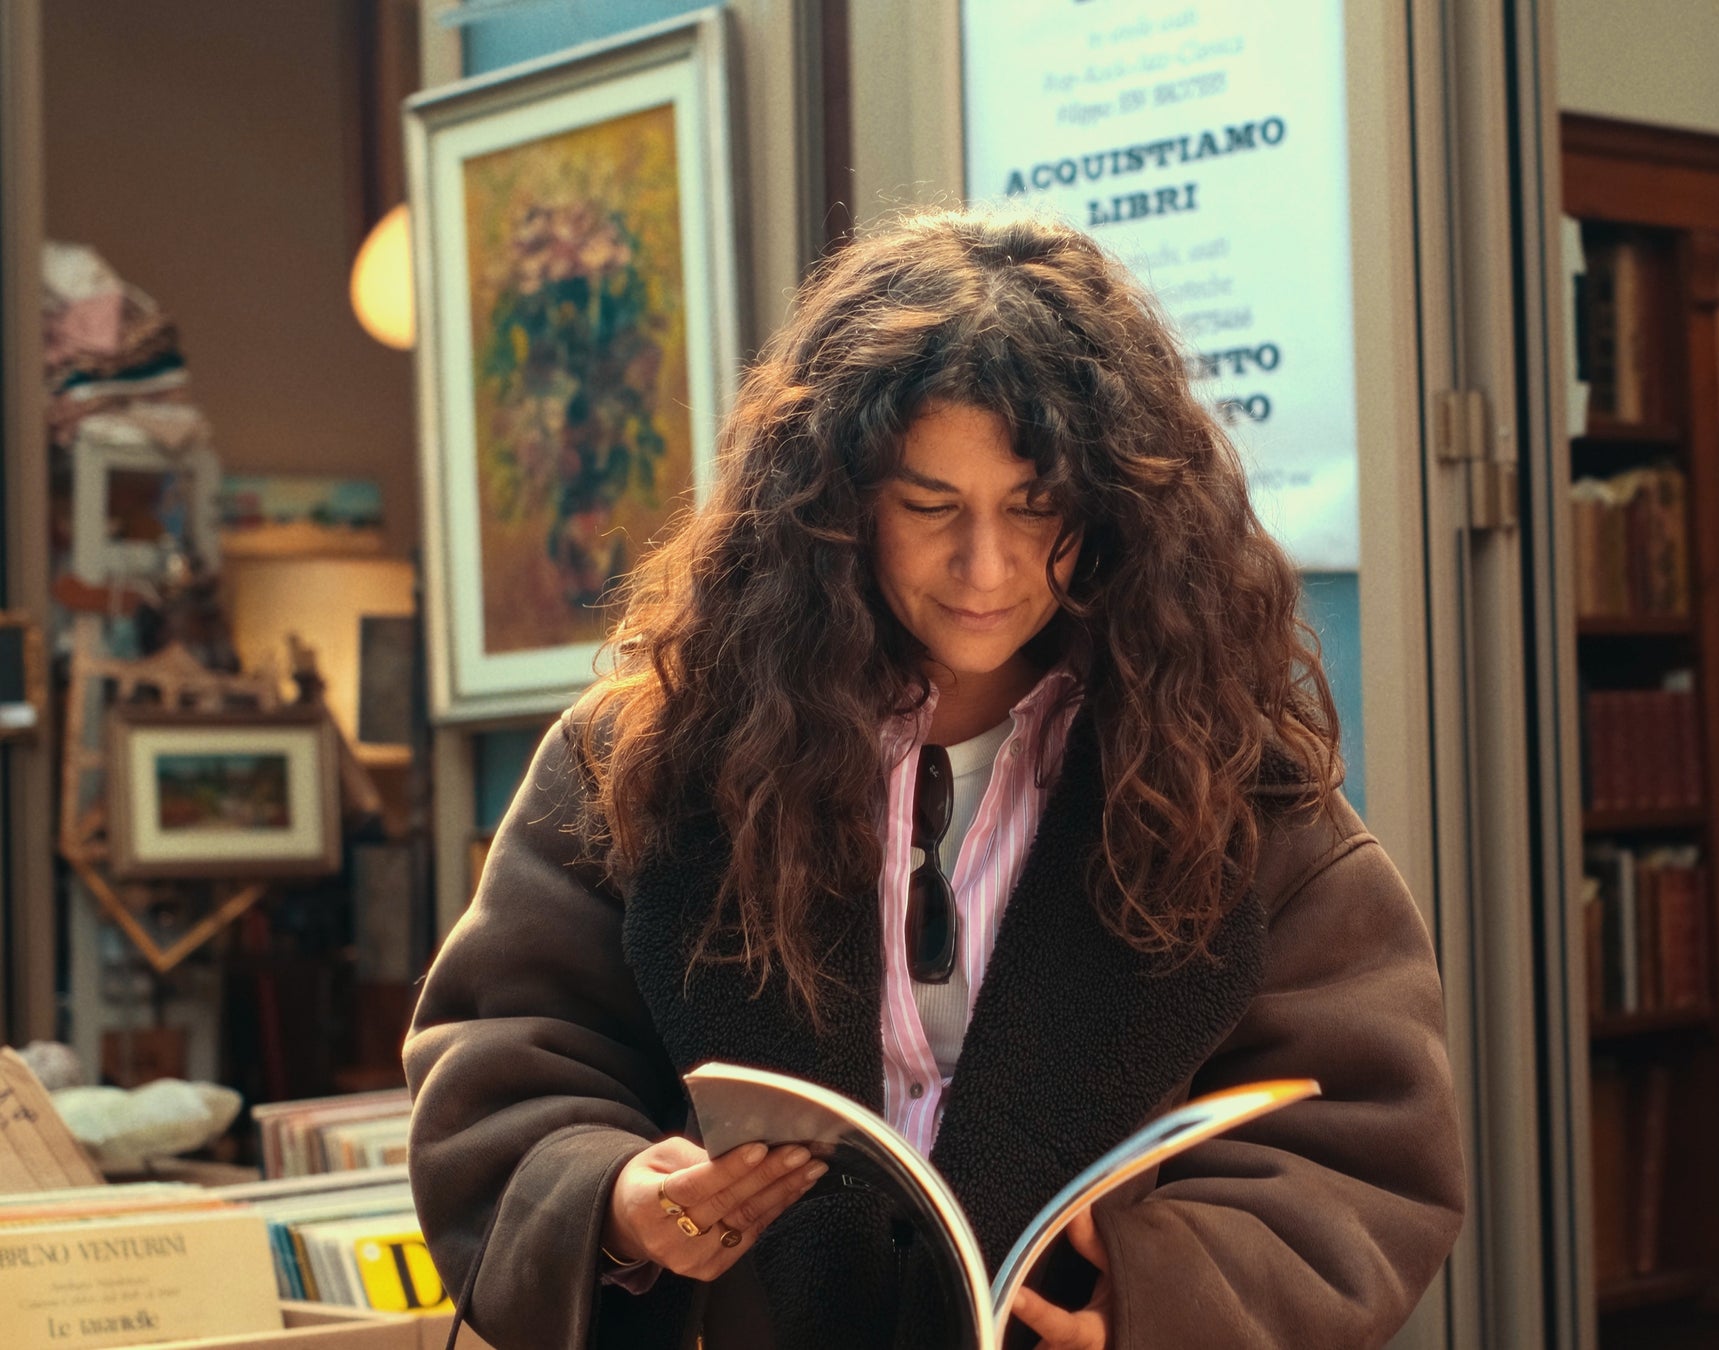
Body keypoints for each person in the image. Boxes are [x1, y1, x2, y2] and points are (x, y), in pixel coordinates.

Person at [404, 206, 1467, 1350]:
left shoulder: (1232, 787)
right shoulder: (646, 760)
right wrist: (614, 1202)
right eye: (929, 507)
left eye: (1036, 507)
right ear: (832, 502)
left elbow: (1367, 1145)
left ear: (1117, 510)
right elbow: (501, 1066)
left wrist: (1162, 1299)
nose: (986, 566)